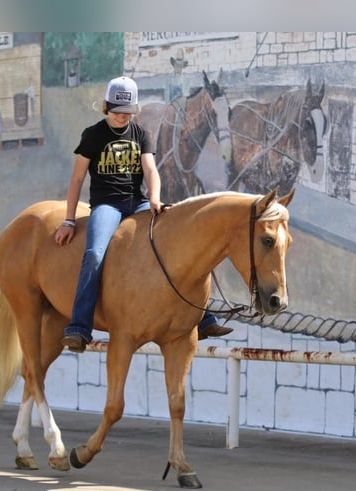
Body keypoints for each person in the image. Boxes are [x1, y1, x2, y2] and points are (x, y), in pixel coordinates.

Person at [54, 76, 233, 352]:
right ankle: (79, 326)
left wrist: (155, 198)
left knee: (176, 241)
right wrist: (68, 220)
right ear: (106, 107)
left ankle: (203, 317)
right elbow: (77, 179)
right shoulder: (92, 135)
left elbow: (150, 171)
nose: (123, 117)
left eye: (128, 112)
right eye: (117, 112)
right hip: (107, 206)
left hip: (137, 203)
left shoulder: (139, 134)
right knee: (94, 254)